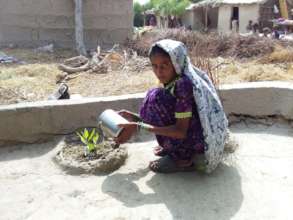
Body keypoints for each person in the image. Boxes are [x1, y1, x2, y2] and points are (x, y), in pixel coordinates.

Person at [116, 39, 228, 173]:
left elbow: (180, 131)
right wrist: (133, 118)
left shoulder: (183, 85)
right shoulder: (173, 82)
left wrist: (138, 126)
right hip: (188, 132)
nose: (159, 71)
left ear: (177, 63)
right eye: (155, 66)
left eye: (164, 65)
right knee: (154, 96)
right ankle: (172, 147)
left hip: (196, 140)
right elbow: (163, 117)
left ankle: (183, 159)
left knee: (156, 97)